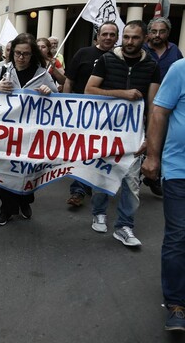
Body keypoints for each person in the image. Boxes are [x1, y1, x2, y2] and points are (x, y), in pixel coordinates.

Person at [84, 20, 161, 247]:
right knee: (102, 173)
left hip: (134, 134)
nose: (129, 42)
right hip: (106, 131)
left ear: (144, 39)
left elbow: (154, 104)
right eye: (126, 37)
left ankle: (124, 225)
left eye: (135, 37)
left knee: (131, 182)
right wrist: (123, 94)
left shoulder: (152, 66)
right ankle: (99, 212)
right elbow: (90, 90)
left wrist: (150, 138)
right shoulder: (106, 60)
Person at [0, 33, 58, 226]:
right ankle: (6, 209)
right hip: (7, 133)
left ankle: (26, 201)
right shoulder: (1, 71)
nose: (21, 57)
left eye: (26, 54)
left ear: (32, 54)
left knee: (29, 171)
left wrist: (49, 93)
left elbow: (58, 99)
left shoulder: (43, 74)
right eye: (17, 53)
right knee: (5, 171)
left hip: (32, 135)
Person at [141, 58, 185, 332]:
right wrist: (153, 157)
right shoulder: (180, 69)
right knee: (179, 234)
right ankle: (176, 303)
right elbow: (159, 112)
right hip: (179, 168)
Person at [63, 21, 119, 207]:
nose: (108, 38)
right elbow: (69, 81)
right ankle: (78, 190)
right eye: (105, 34)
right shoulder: (83, 54)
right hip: (82, 113)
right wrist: (64, 106)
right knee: (84, 150)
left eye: (112, 34)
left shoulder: (120, 58)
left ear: (117, 38)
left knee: (101, 152)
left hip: (109, 116)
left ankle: (94, 185)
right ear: (98, 36)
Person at [141, 17, 184, 196]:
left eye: (162, 31)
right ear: (149, 33)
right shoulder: (141, 49)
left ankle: (154, 176)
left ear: (168, 33)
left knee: (162, 139)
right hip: (142, 103)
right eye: (154, 31)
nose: (157, 35)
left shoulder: (175, 52)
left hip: (168, 106)